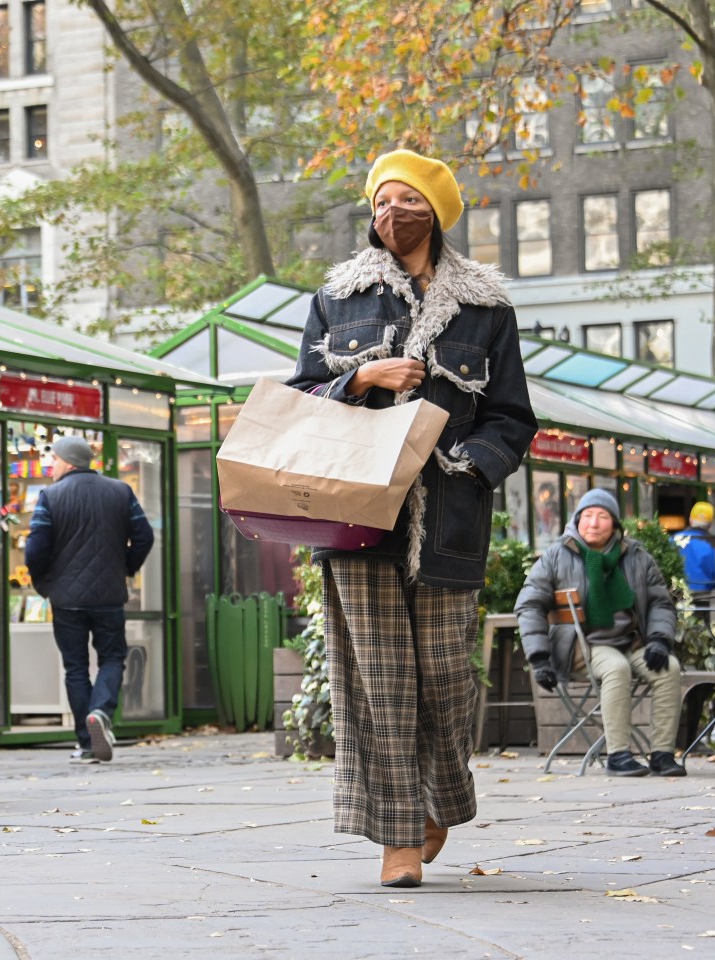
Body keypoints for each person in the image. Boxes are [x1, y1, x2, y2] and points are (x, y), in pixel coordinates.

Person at [285, 148, 537, 888]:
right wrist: (361, 376)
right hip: (356, 519)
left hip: (449, 520)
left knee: (445, 682)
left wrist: (465, 461)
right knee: (381, 681)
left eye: (408, 201)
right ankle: (398, 837)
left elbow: (514, 418)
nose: (392, 213)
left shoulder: (487, 308)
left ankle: (440, 802)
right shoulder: (338, 298)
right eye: (381, 200)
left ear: (436, 212)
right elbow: (299, 398)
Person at [516, 488, 685, 778]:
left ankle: (662, 754)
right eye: (588, 516)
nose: (593, 523)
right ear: (577, 520)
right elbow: (529, 604)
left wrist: (658, 640)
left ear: (616, 524)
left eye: (602, 516)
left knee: (669, 668)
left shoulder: (636, 556)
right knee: (616, 668)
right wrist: (539, 657)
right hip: (582, 647)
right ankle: (619, 755)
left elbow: (660, 603)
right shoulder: (556, 555)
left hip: (631, 642)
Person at [24, 435, 154, 764]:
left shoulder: (50, 497)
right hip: (109, 594)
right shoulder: (120, 491)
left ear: (68, 461)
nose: (51, 466)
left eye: (53, 459)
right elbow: (144, 536)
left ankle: (85, 742)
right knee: (112, 657)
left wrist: (44, 583)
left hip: (66, 599)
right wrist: (126, 567)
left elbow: (35, 548)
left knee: (76, 668)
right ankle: (100, 711)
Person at [673, 501, 715, 593]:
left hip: (675, 599)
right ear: (710, 524)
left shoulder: (672, 540)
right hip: (706, 601)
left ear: (690, 519)